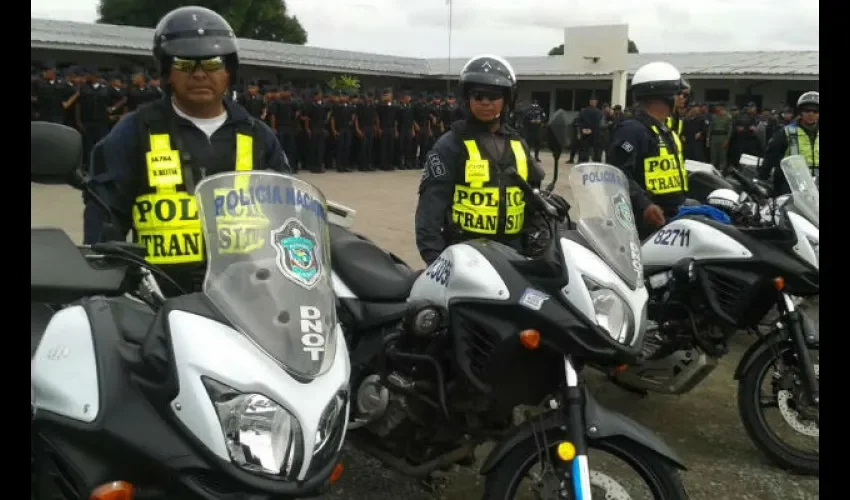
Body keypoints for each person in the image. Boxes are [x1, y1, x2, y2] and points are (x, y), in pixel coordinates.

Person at [82, 5, 289, 296]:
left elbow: (287, 215)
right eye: (184, 64)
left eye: (212, 64)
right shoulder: (133, 132)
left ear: (229, 72)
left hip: (247, 296)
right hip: (159, 297)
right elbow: (104, 219)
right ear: (167, 72)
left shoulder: (258, 136)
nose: (199, 74)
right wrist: (106, 286)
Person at [415, 54, 564, 265]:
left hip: (515, 253)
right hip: (467, 254)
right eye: (478, 96)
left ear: (507, 99)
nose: (485, 102)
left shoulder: (518, 144)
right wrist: (436, 261)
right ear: (467, 98)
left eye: (493, 96)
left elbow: (530, 198)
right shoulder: (450, 144)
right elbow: (430, 209)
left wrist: (548, 207)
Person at [607, 61, 692, 239]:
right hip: (645, 222)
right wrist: (645, 204)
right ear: (663, 95)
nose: (682, 99)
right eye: (679, 93)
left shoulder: (665, 129)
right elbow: (618, 174)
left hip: (671, 217)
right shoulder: (632, 130)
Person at [758, 91, 819, 195]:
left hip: (816, 187)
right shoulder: (786, 132)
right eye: (806, 110)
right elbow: (770, 158)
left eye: (815, 111)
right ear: (800, 112)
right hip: (792, 188)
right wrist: (762, 178)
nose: (811, 114)